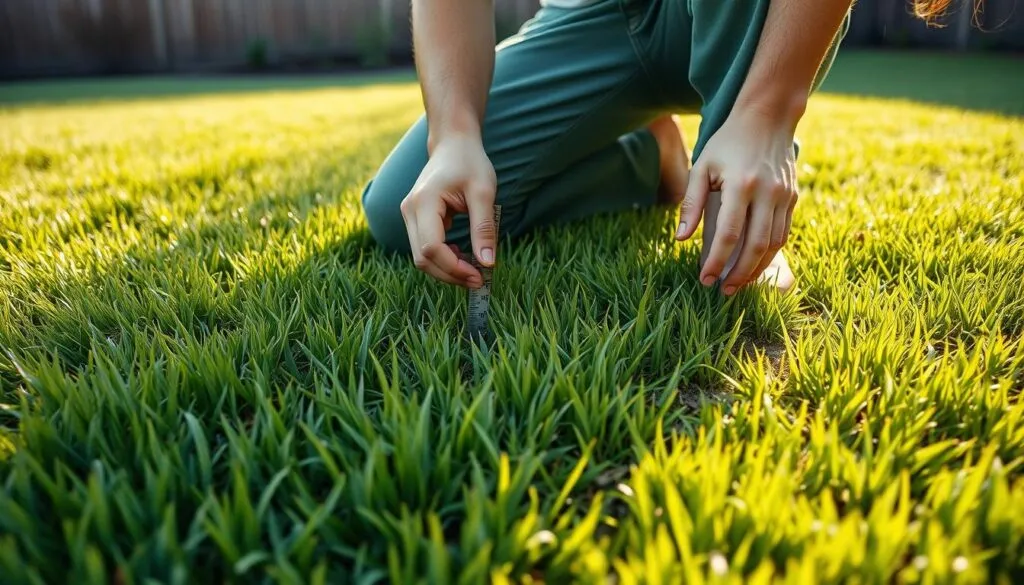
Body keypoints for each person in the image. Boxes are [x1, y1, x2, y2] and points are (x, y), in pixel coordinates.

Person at [359, 0, 964, 295]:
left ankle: (733, 149)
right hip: (594, 18)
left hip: (743, 13)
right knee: (406, 214)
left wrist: (769, 113)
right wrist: (454, 134)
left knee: (729, 272)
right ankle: (652, 157)